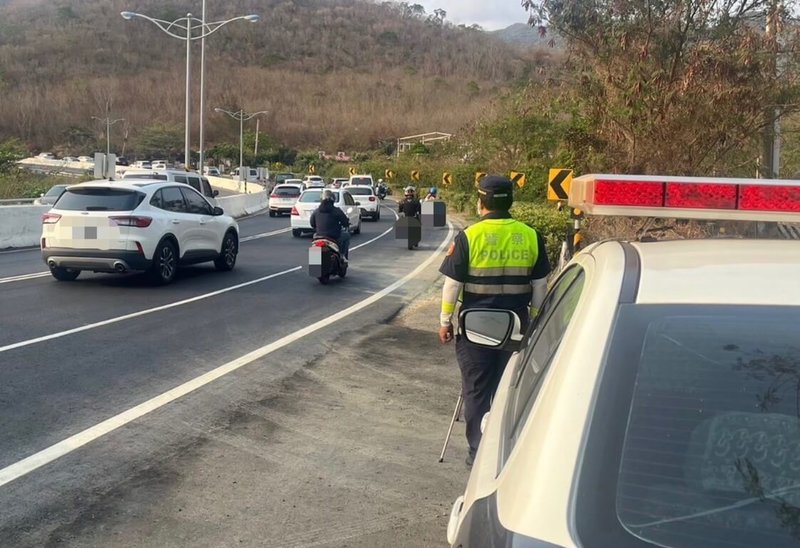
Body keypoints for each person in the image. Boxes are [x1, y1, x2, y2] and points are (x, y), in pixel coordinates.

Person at [437, 175, 550, 467]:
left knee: (476, 390)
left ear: (481, 201)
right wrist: (534, 322)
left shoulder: (469, 236)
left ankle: (477, 453)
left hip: (475, 332)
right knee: (507, 390)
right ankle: (502, 451)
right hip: (515, 330)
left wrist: (445, 321)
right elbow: (540, 287)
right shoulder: (531, 235)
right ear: (511, 201)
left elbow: (452, 286)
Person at [310, 190, 351, 261]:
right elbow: (345, 222)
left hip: (318, 236)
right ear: (333, 200)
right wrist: (346, 223)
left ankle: (314, 263)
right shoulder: (336, 210)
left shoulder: (316, 211)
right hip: (333, 237)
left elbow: (312, 224)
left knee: (315, 246)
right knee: (346, 236)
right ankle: (342, 255)